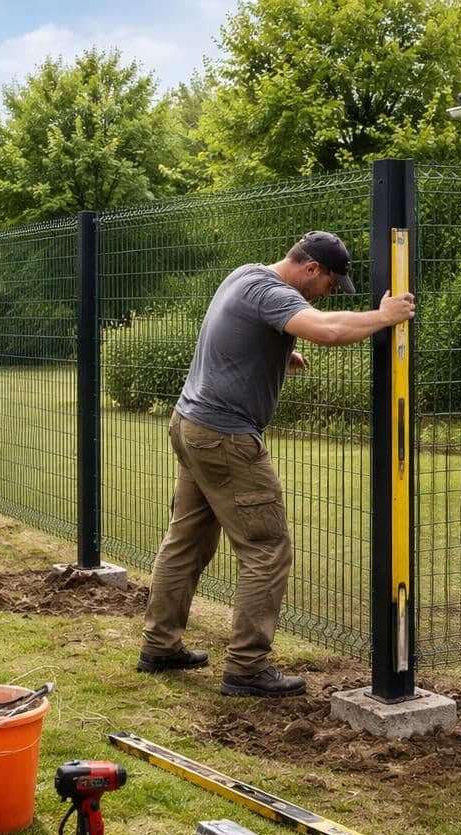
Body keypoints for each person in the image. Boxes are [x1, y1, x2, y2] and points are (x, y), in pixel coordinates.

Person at [138, 231, 416, 697]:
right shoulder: (273, 292)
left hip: (190, 424)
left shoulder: (246, 275)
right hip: (225, 438)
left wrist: (278, 353)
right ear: (311, 268)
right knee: (267, 548)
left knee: (186, 542)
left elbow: (233, 335)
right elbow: (328, 330)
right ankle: (247, 668)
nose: (327, 293)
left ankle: (160, 645)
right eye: (329, 284)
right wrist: (384, 316)